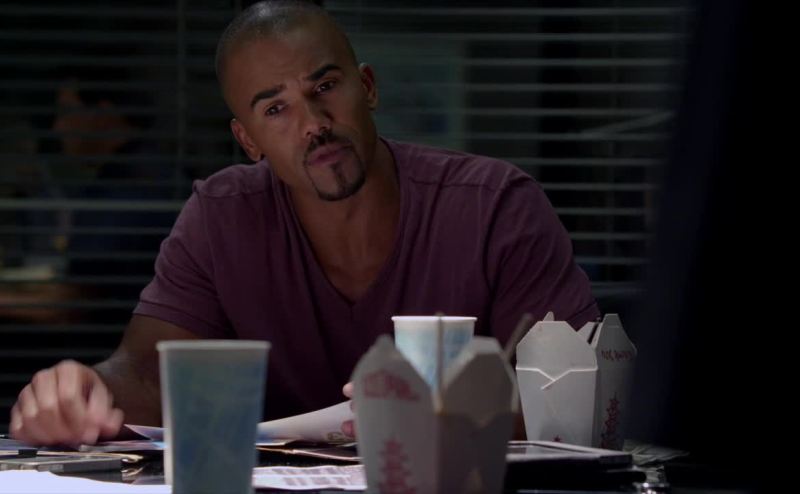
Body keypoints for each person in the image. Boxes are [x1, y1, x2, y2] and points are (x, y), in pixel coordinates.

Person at [9, 0, 598, 446]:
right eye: (275, 108)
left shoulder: (494, 206)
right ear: (248, 140)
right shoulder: (221, 215)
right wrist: (84, 391)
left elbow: (578, 391)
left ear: (367, 87)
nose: (314, 123)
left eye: (325, 87)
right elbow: (148, 374)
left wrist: (470, 409)